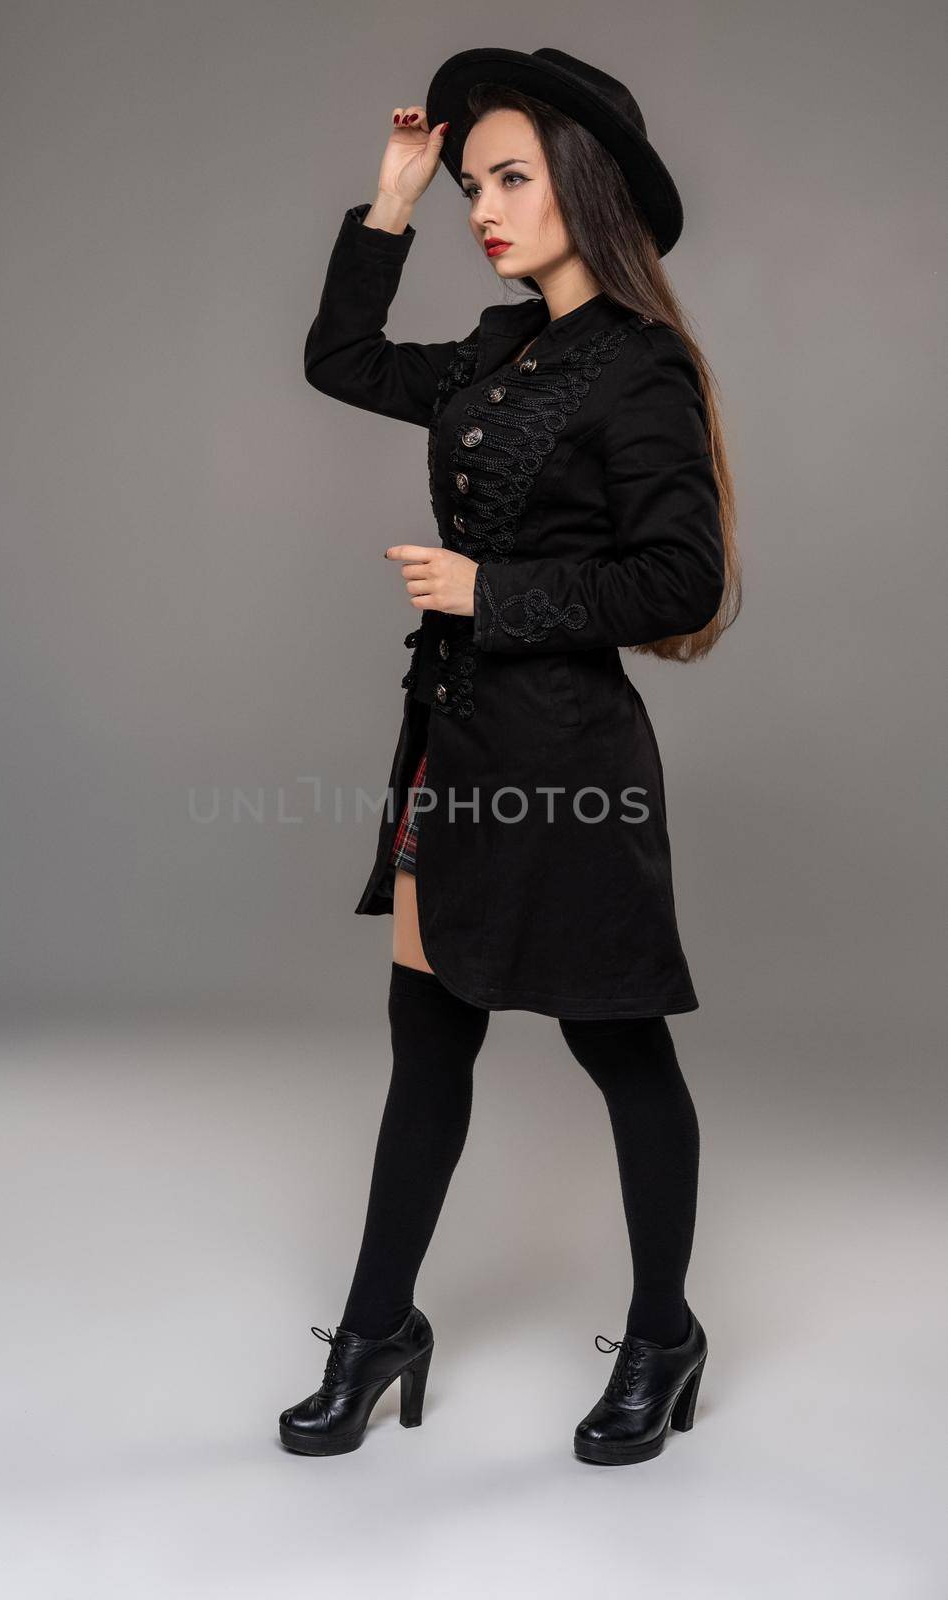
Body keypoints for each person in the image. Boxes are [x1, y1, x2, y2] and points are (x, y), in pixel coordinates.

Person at [279, 46, 741, 1466]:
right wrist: (391, 199)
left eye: (511, 177)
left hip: (571, 758)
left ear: (582, 186)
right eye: (477, 180)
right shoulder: (498, 348)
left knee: (617, 1044)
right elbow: (339, 360)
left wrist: (498, 594)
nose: (487, 203)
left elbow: (683, 581)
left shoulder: (641, 366)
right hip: (455, 747)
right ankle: (377, 1330)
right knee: (429, 1042)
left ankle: (664, 1332)